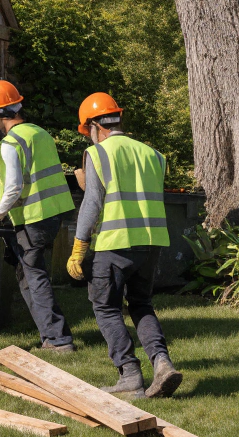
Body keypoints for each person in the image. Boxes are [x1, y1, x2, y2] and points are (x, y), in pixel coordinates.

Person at [66, 92, 183, 399]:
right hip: (151, 242)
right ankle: (162, 363)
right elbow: (130, 192)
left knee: (105, 307)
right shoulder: (153, 155)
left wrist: (79, 246)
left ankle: (130, 374)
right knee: (142, 304)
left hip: (115, 245)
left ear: (94, 125)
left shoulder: (99, 154)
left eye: (87, 131)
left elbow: (93, 204)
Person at [0, 80, 77, 353]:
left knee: (35, 276)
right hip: (52, 214)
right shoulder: (40, 133)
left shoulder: (11, 143)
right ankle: (49, 336)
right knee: (26, 273)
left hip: (33, 218)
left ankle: (58, 340)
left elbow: (14, 186)